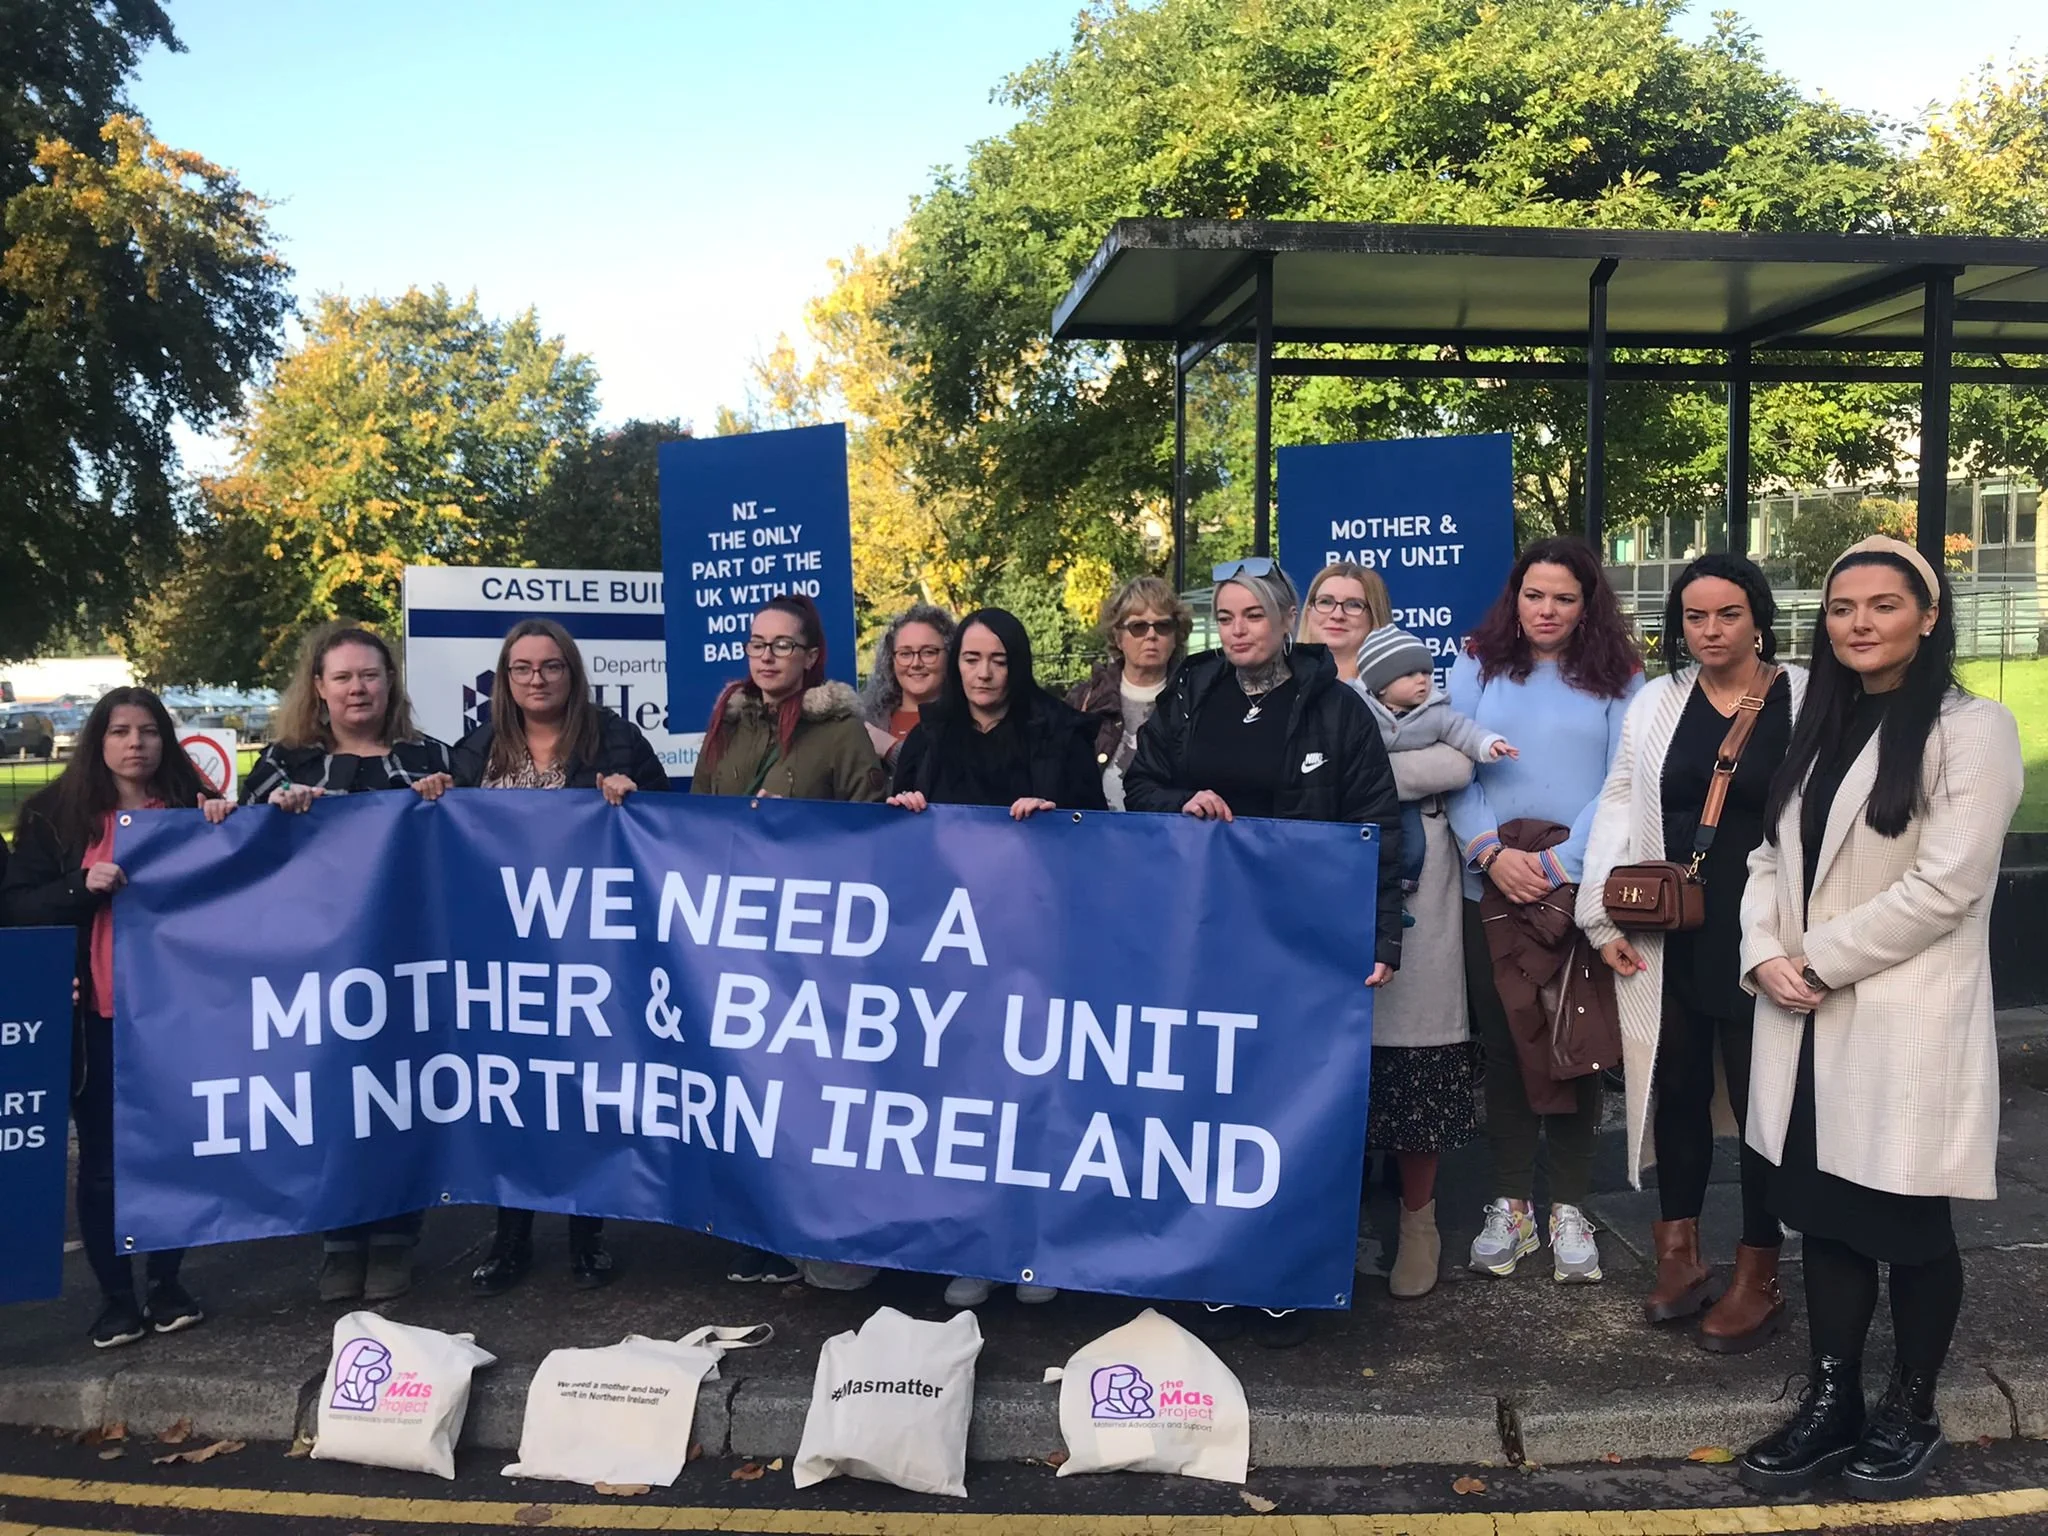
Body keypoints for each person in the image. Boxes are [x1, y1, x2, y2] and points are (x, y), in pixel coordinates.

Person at [1734, 537, 2021, 1501]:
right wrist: (1763, 954)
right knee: (1823, 1217)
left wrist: (1812, 956)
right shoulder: (1820, 723)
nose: (1859, 623)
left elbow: (1950, 885)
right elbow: (1769, 859)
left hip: (1897, 1015)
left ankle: (1912, 1405)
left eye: (1883, 605)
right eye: (1843, 607)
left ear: (1927, 617)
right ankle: (1834, 1400)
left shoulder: (1969, 728)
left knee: (1904, 1220)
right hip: (1803, 1013)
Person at [1125, 557, 1401, 1345]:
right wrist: (1183, 801)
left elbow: (1375, 823)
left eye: (1254, 616)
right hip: (1201, 937)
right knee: (1211, 1100)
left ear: (1288, 621)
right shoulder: (1191, 691)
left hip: (1298, 940)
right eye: (1228, 616)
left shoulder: (1336, 708)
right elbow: (1141, 787)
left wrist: (1380, 935)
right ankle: (1217, 1258)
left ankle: (1286, 1263)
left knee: (1288, 1100)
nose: (1239, 630)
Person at [1579, 554, 1804, 1352]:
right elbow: (1616, 801)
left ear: (1759, 618)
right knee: (1674, 1086)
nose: (1710, 631)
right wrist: (1599, 918)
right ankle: (1678, 1256)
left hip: (1764, 932)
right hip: (1667, 929)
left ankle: (1758, 1270)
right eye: (1695, 617)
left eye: (1728, 615)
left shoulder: (1801, 695)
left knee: (1758, 1100)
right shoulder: (1656, 702)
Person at [889, 606, 1107, 1308]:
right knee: (964, 1102)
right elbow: (893, 841)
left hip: (1040, 945)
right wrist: (908, 809)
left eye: (998, 661)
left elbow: (1104, 836)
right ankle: (977, 1246)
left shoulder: (1059, 732)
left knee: (1034, 1097)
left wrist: (1060, 819)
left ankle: (1035, 1246)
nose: (984, 674)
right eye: (972, 660)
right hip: (955, 952)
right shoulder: (928, 735)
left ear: (1018, 665)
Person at [2, 688, 232, 1348]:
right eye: (121, 731)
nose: (137, 743)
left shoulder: (194, 809)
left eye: (150, 731)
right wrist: (82, 887)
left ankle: (167, 1283)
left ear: (166, 741)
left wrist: (225, 823)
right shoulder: (53, 819)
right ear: (97, 741)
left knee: (180, 1152)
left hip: (178, 1018)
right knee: (102, 1164)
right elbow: (19, 908)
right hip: (93, 1019)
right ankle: (115, 1298)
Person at [451, 618, 669, 1296]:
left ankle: (587, 1234)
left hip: (592, 947)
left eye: (551, 666)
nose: (537, 679)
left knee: (588, 1092)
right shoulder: (476, 749)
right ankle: (510, 1236)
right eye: (522, 668)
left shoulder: (616, 738)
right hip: (503, 950)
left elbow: (670, 829)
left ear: (572, 674)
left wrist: (632, 802)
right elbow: (445, 840)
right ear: (504, 679)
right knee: (512, 1093)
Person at [1447, 537, 1643, 1285]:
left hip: (1579, 890)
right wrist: (1492, 853)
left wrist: (1565, 866)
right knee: (1504, 1046)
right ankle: (1510, 1205)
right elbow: (1453, 760)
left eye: (1564, 597)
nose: (1548, 610)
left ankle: (1568, 1205)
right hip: (1488, 886)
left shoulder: (1621, 677)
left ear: (1587, 603)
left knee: (1576, 1043)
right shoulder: (1478, 662)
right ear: (1515, 596)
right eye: (1535, 595)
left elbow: (1627, 779)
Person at [244, 622, 456, 1303]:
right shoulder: (286, 762)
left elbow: (483, 842)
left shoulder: (431, 757)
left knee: (402, 1097)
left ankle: (396, 1235)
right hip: (315, 965)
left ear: (389, 683)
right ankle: (339, 1238)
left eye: (369, 674)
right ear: (319, 688)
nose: (358, 687)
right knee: (333, 1097)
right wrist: (272, 817)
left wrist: (448, 805)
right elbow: (237, 853)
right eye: (343, 677)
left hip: (409, 960)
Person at [695, 592, 888, 1287]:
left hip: (815, 945)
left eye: (782, 645)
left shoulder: (841, 732)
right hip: (740, 934)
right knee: (751, 1087)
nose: (767, 657)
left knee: (810, 1089)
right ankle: (759, 1228)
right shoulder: (728, 723)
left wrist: (802, 827)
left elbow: (877, 834)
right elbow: (693, 820)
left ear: (811, 657)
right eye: (757, 644)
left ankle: (822, 1225)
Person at [1353, 626, 1516, 920]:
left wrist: (1489, 744)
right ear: (1381, 685)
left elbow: (1464, 731)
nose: (1422, 681)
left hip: (1410, 807)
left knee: (1413, 846)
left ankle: (1400, 897)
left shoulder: (1435, 713)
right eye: (1410, 675)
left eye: (1426, 673)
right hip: (1367, 808)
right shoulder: (1359, 709)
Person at [1065, 576, 1192, 809]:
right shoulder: (1083, 701)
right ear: (1118, 637)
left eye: (1162, 626)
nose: (1151, 636)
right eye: (1138, 627)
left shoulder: (1194, 701)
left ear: (1176, 636)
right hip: (1094, 837)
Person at [860, 605, 955, 772]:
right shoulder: (868, 720)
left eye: (928, 652)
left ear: (951, 655)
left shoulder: (968, 721)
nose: (916, 663)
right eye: (905, 654)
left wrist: (892, 749)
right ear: (891, 660)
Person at [1298, 562, 1392, 685]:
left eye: (1353, 605)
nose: (1337, 615)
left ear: (1375, 615)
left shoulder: (1402, 689)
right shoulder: (1279, 683)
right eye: (1326, 602)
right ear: (1309, 612)